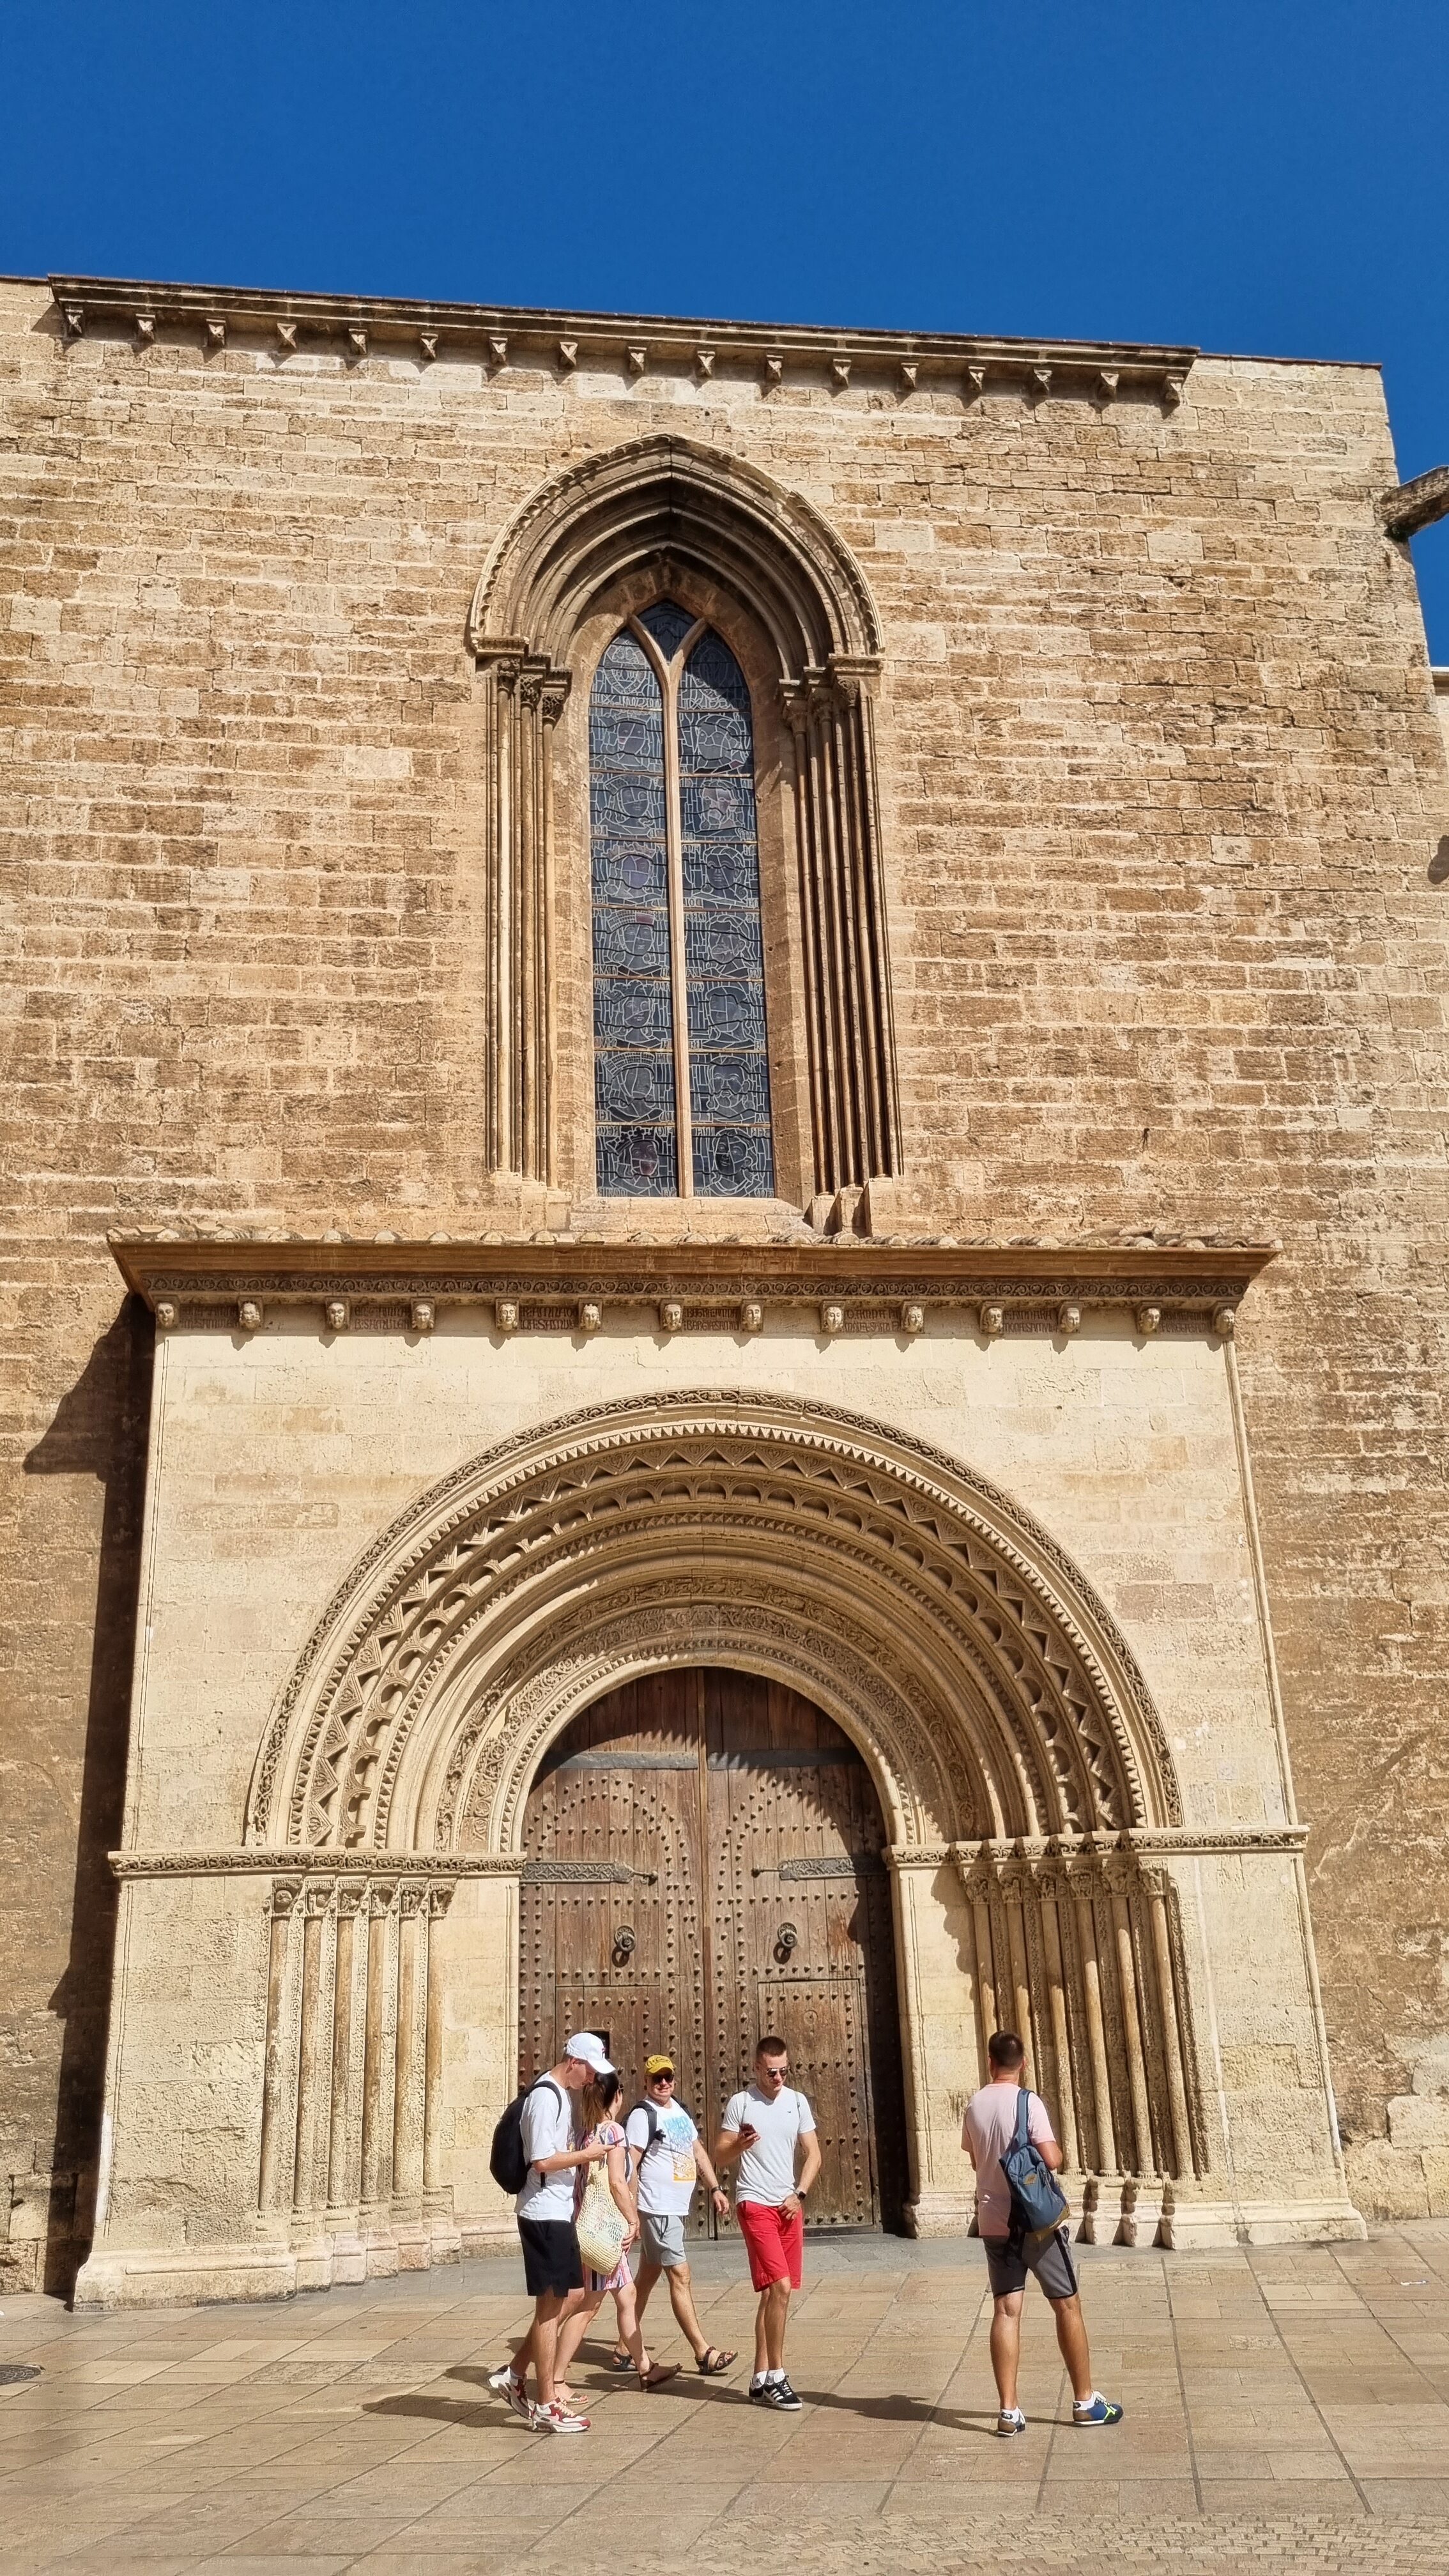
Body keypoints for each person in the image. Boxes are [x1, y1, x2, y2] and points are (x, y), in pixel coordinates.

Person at [962, 2028, 1124, 2438]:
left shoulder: (975, 2104)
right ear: (1024, 2064)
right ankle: (1085, 2402)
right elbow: (1051, 2157)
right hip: (1037, 2222)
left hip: (994, 2221)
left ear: (990, 2062)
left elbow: (974, 2156)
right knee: (1067, 2305)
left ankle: (1008, 2410)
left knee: (1005, 2311)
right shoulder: (1027, 2101)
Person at [487, 2031, 613, 2434]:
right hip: (542, 2213)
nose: (593, 2079)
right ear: (574, 2061)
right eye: (591, 2070)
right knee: (551, 2304)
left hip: (556, 2211)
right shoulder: (546, 2096)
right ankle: (545, 2403)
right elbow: (542, 2161)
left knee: (571, 2295)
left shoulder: (561, 2095)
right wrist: (588, 2154)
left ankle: (515, 2372)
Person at [606, 2053, 737, 2379]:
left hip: (674, 2209)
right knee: (680, 2275)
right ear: (646, 2083)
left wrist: (715, 2187)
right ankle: (703, 2352)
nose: (663, 2083)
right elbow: (629, 2164)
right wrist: (631, 2210)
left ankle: (624, 2350)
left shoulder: (678, 2110)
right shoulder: (642, 2115)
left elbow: (697, 2150)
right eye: (657, 2078)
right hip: (658, 2208)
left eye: (668, 2077)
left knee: (646, 2279)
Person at [551, 2070, 680, 2401]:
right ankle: (555, 2376)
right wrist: (633, 2219)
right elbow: (616, 2183)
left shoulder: (584, 2135)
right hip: (605, 2233)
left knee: (626, 2297)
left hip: (591, 2228)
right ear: (616, 2097)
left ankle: (645, 2368)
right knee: (587, 2307)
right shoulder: (614, 2132)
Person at [716, 2035, 820, 2409]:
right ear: (757, 2068)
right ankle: (778, 2375)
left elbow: (814, 2154)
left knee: (773, 2293)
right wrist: (739, 2145)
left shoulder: (797, 2102)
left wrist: (801, 2193)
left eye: (784, 2071)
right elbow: (719, 2154)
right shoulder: (741, 2103)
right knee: (780, 2287)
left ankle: (759, 2377)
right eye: (771, 2072)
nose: (778, 2078)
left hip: (788, 2206)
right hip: (754, 2203)